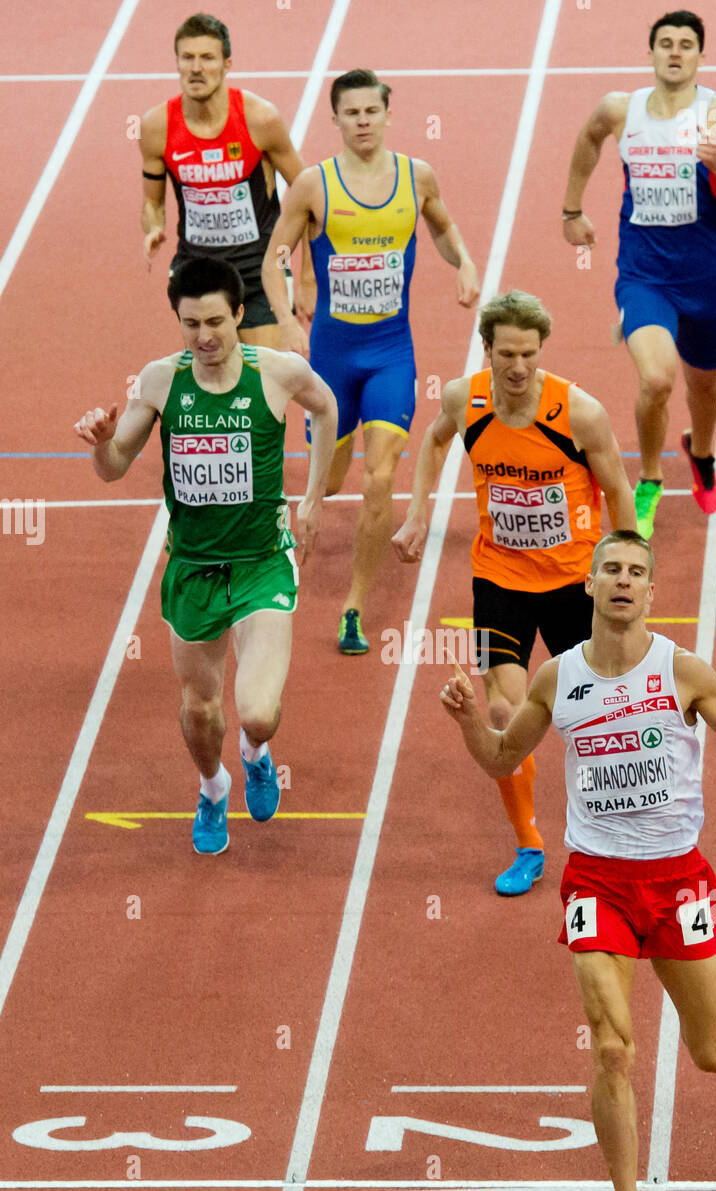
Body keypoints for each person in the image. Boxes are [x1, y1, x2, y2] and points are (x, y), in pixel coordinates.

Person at [440, 530, 716, 1191]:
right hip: (596, 880)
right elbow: (502, 760)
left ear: (650, 590)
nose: (622, 581)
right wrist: (468, 726)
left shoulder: (684, 670)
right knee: (611, 1047)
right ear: (589, 582)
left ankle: (636, 1175)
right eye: (610, 568)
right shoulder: (557, 678)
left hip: (677, 882)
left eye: (636, 572)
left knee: (715, 1055)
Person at [73, 256, 337, 855]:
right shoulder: (162, 381)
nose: (205, 337)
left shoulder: (279, 372)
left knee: (258, 713)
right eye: (190, 324)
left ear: (241, 314)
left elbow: (325, 408)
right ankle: (214, 786)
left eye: (216, 321)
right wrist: (100, 445)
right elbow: (114, 468)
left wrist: (314, 497)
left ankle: (255, 754)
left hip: (261, 562)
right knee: (200, 710)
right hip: (192, 568)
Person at [393, 290, 636, 896]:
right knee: (503, 712)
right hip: (499, 578)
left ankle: (619, 829)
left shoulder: (580, 413)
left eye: (529, 354)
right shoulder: (464, 399)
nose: (519, 367)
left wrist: (628, 563)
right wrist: (419, 513)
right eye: (508, 354)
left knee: (602, 713)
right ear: (488, 350)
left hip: (572, 582)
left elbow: (618, 487)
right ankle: (529, 841)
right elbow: (433, 440)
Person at [262, 68, 480, 654]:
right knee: (328, 481)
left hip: (391, 354)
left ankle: (354, 607)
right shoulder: (313, 185)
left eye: (371, 111)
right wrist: (285, 317)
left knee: (381, 476)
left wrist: (463, 262)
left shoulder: (417, 177)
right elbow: (273, 257)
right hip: (333, 361)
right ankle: (294, 512)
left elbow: (442, 227)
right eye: (351, 112)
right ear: (335, 119)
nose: (362, 121)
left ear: (387, 114)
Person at [561, 10, 716, 537]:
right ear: (650, 52)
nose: (675, 52)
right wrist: (571, 209)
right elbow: (588, 138)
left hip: (704, 281)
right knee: (655, 379)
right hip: (643, 275)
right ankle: (649, 479)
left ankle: (701, 451)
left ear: (700, 56)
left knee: (705, 388)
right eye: (666, 43)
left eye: (686, 44)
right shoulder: (620, 110)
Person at [139, 12, 310, 355]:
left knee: (265, 385)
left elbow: (310, 197)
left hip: (260, 270)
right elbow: (153, 203)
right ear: (177, 63)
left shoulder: (260, 119)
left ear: (227, 63)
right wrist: (154, 227)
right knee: (212, 382)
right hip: (197, 272)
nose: (196, 68)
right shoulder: (157, 126)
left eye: (207, 58)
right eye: (187, 58)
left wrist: (308, 276)